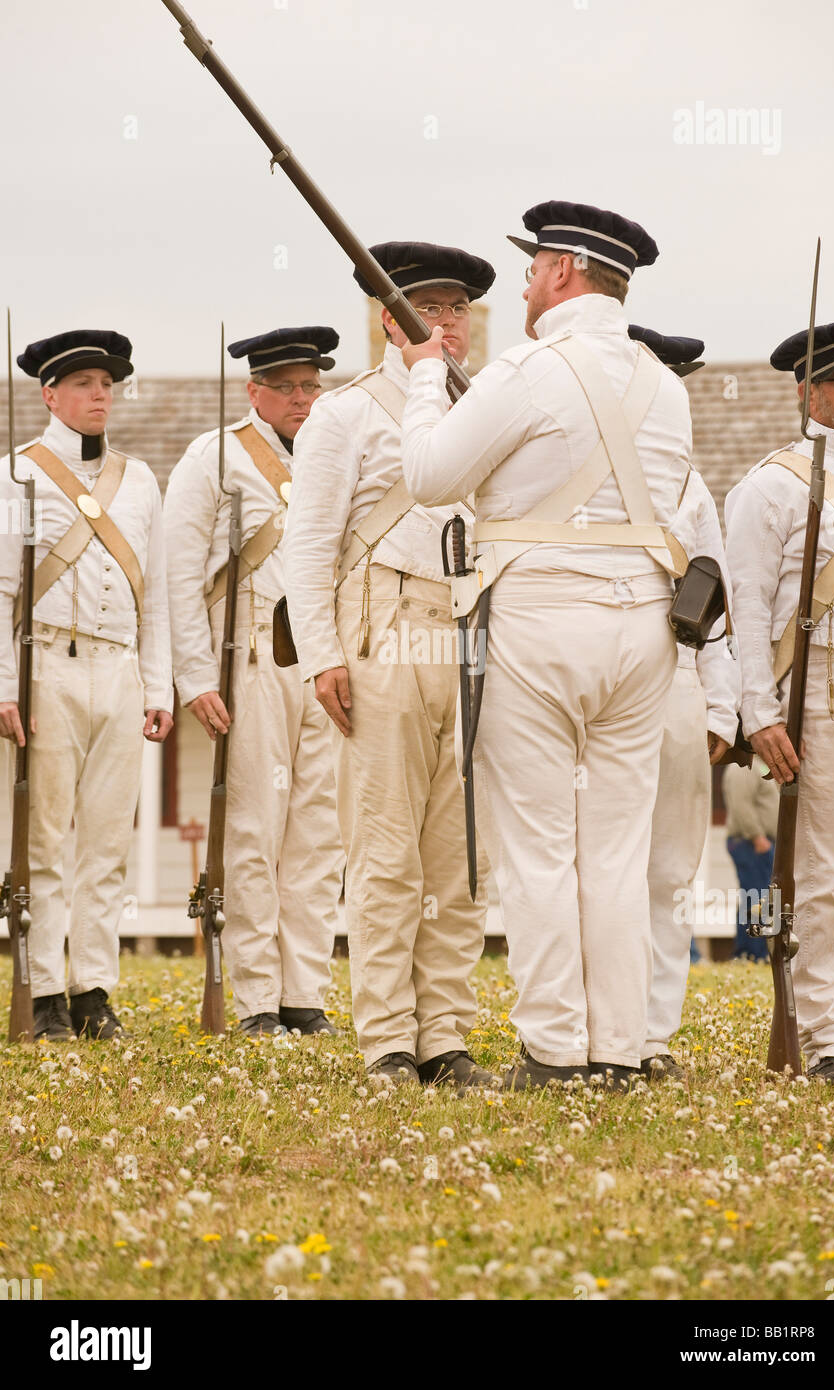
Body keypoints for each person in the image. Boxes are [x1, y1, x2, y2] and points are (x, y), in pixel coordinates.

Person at [400, 201, 696, 1091]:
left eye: (534, 267)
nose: (526, 282)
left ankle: (555, 1050)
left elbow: (428, 478)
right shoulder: (665, 383)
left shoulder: (526, 369)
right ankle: (618, 1045)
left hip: (538, 617)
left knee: (536, 846)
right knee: (613, 847)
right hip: (642, 627)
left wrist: (424, 377)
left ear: (563, 271)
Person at [282, 242, 495, 1088]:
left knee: (458, 854)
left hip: (468, 635)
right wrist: (322, 656)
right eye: (430, 309)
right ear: (390, 318)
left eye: (457, 310)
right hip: (382, 625)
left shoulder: (483, 411)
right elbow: (310, 544)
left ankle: (445, 1032)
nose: (445, 324)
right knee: (383, 848)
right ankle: (387, 1040)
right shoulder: (344, 413)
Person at [163, 327, 345, 1038]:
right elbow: (179, 571)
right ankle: (257, 1000)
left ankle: (305, 994)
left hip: (321, 662)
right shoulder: (214, 455)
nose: (302, 399)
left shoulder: (333, 454)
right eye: (288, 387)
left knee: (316, 836)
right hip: (248, 660)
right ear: (255, 391)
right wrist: (193, 675)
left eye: (310, 386)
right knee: (252, 831)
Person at [0, 329, 173, 1041]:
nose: (100, 395)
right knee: (42, 843)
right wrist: (5, 685)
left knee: (106, 843)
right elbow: (3, 585)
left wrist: (158, 687)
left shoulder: (139, 480)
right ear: (50, 395)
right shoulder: (17, 474)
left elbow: (155, 592)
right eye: (84, 384)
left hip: (119, 670)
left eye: (107, 384)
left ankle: (94, 989)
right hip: (49, 670)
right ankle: (43, 993)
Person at [725, 314, 834, 1082]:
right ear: (810, 396)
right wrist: (759, 711)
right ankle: (827, 1037)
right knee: (822, 872)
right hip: (823, 687)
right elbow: (746, 610)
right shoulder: (771, 485)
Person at [627, 328, 739, 1081]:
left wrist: (720, 711)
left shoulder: (690, 487)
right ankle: (584, 1029)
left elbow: (721, 607)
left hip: (676, 683)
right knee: (591, 864)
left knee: (668, 872)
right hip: (592, 676)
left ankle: (651, 1035)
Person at [721, 759, 777, 962]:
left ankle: (755, 952)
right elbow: (740, 802)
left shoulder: (762, 764)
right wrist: (757, 837)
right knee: (756, 897)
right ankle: (751, 953)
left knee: (760, 897)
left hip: (759, 842)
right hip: (750, 842)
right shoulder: (744, 765)